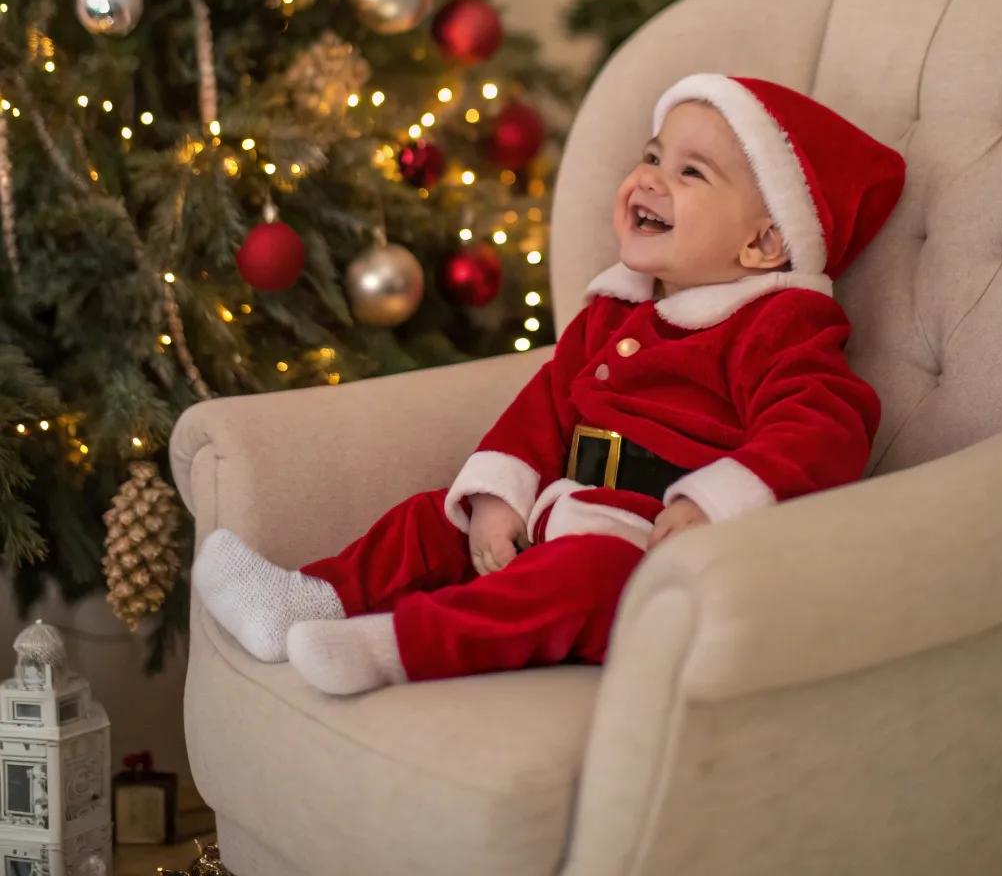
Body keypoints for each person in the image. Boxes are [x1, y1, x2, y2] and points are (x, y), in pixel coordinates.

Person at [194, 73, 905, 695]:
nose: (649, 179)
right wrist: (499, 497)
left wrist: (711, 505)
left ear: (762, 243)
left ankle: (395, 648)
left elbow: (825, 425)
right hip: (557, 512)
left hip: (650, 556)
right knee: (432, 519)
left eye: (690, 173)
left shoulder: (778, 325)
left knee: (582, 580)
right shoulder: (615, 313)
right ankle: (307, 600)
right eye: (651, 156)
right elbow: (544, 406)